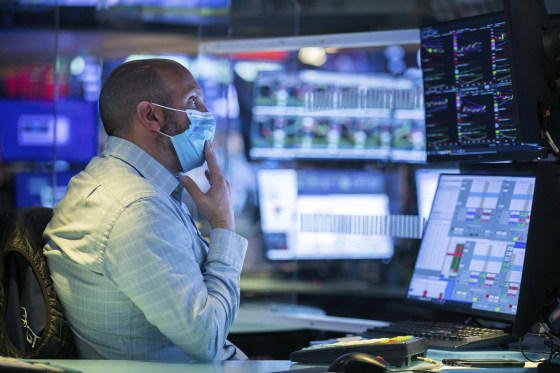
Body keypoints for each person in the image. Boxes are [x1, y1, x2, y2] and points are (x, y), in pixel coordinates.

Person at [43, 58, 248, 361]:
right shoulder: (136, 210)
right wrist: (223, 225)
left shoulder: (109, 182)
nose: (206, 114)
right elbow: (207, 339)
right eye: (193, 101)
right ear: (151, 115)